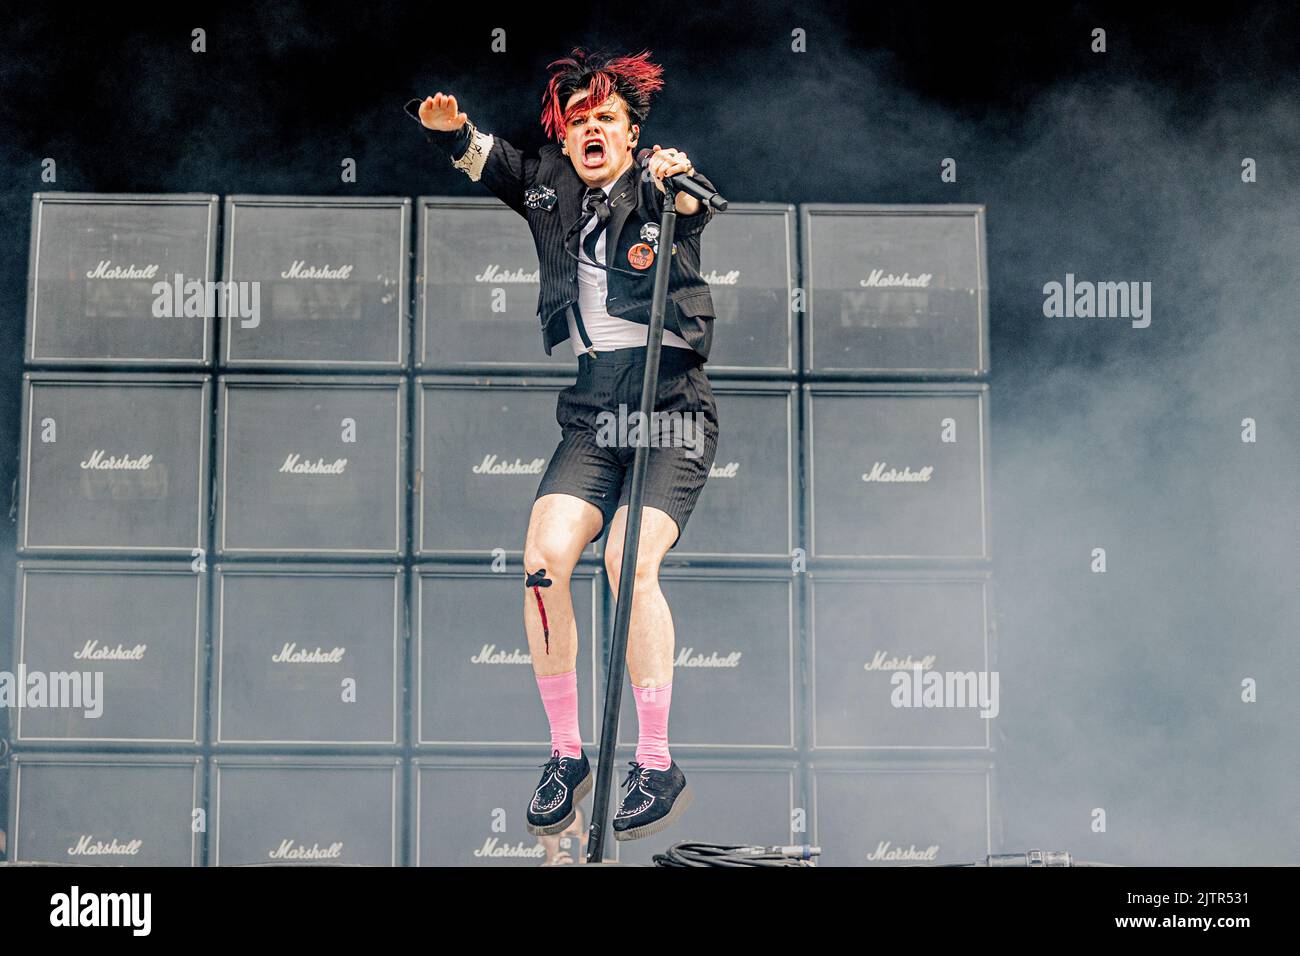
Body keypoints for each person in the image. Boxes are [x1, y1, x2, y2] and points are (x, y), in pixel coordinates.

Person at [409, 47, 720, 843]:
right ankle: (565, 754)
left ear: (630, 132)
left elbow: (698, 209)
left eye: (605, 119)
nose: (590, 129)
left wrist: (676, 187)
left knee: (626, 561)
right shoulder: (549, 185)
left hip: (668, 408)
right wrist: (454, 132)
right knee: (545, 560)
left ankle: (655, 760)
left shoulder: (658, 182)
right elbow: (494, 162)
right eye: (578, 118)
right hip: (591, 406)